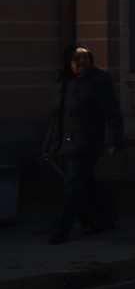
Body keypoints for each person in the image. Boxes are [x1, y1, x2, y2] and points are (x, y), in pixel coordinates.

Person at [42, 44, 124, 244]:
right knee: (84, 183)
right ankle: (102, 217)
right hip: (64, 142)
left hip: (86, 142)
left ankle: (61, 229)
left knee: (73, 186)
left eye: (86, 58)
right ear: (68, 63)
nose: (82, 62)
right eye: (77, 59)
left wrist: (114, 140)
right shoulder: (64, 83)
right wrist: (49, 145)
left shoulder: (98, 82)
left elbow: (113, 113)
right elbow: (57, 117)